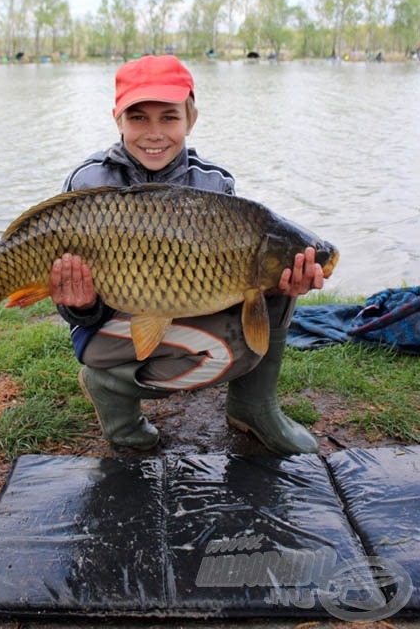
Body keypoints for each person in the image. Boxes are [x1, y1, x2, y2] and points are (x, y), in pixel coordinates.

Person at [50, 55, 325, 454]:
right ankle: (109, 389)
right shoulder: (88, 182)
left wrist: (280, 284)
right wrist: (82, 305)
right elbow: (68, 302)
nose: (154, 133)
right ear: (118, 119)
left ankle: (254, 407)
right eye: (138, 118)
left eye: (169, 117)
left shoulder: (215, 184)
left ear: (191, 119)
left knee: (273, 283)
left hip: (176, 308)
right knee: (225, 352)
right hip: (106, 323)